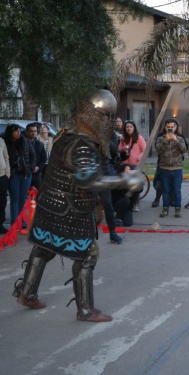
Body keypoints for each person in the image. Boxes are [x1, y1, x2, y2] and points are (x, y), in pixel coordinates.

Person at [12, 89, 143, 322]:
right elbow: (88, 180)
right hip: (71, 207)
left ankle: (27, 291)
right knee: (87, 256)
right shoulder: (83, 141)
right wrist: (126, 180)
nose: (109, 122)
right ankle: (85, 310)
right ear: (96, 116)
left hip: (50, 202)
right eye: (107, 117)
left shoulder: (66, 131)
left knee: (44, 247)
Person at [3, 124, 36, 227]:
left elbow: (33, 154)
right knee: (15, 199)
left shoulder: (24, 140)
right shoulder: (5, 142)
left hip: (26, 174)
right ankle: (14, 222)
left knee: (23, 199)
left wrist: (31, 167)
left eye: (19, 131)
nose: (18, 133)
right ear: (10, 132)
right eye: (16, 131)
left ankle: (22, 221)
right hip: (14, 175)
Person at [152, 119, 188, 208]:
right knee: (161, 185)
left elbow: (184, 150)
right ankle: (157, 199)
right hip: (163, 165)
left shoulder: (179, 137)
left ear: (176, 127)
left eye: (172, 127)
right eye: (168, 127)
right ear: (165, 127)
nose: (170, 129)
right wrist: (165, 141)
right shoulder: (161, 137)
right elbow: (158, 150)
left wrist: (176, 141)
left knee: (175, 188)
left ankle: (173, 202)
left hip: (176, 166)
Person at [118, 120, 146, 211]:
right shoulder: (123, 138)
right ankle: (127, 204)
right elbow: (118, 149)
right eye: (127, 127)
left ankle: (136, 204)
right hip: (125, 165)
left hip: (135, 165)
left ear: (134, 128)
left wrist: (138, 157)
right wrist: (123, 148)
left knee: (135, 186)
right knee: (126, 185)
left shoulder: (139, 138)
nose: (129, 128)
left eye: (130, 127)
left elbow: (144, 150)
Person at [25, 122, 47, 190]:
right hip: (25, 173)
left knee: (37, 194)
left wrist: (38, 167)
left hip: (37, 173)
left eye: (35, 131)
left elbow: (44, 158)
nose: (33, 133)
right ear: (27, 132)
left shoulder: (39, 144)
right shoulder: (22, 143)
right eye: (31, 131)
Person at [0, 136, 9, 233]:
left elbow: (6, 158)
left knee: (2, 202)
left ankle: (0, 224)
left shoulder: (1, 140)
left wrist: (7, 174)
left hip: (2, 176)